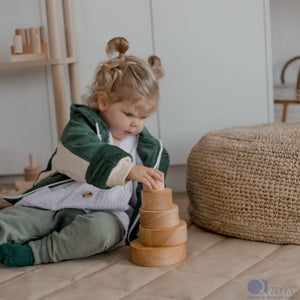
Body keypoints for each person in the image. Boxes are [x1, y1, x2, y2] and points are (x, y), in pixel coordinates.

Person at [2, 37, 169, 267]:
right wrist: (127, 169)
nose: (136, 124)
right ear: (103, 102)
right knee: (11, 222)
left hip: (106, 216)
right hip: (53, 206)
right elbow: (84, 152)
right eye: (129, 115)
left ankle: (37, 253)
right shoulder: (81, 128)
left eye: (143, 117)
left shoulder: (149, 149)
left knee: (101, 233)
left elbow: (145, 200)